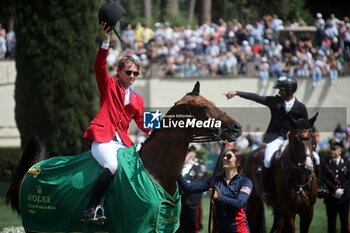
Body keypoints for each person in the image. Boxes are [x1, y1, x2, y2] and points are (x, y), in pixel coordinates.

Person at [80, 22, 150, 224]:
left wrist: (164, 128)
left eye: (135, 73)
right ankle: (90, 209)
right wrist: (106, 41)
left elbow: (145, 124)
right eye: (128, 72)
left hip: (123, 142)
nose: (132, 77)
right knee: (111, 165)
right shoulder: (109, 83)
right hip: (102, 138)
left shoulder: (138, 99)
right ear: (118, 72)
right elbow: (98, 66)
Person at [224, 76, 320, 201]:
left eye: (282, 90)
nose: (279, 92)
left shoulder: (301, 107)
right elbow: (257, 97)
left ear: (290, 91)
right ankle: (267, 189)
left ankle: (318, 186)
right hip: (276, 137)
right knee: (268, 159)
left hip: (294, 139)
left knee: (316, 158)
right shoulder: (275, 102)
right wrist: (237, 93)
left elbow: (305, 127)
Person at [178, 148, 253, 233]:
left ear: (238, 162)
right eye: (224, 156)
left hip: (239, 230)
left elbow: (239, 203)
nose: (224, 158)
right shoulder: (214, 180)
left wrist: (219, 197)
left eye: (228, 156)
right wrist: (176, 172)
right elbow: (189, 189)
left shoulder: (245, 182)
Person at [177, 145, 207, 233]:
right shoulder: (178, 166)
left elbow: (198, 180)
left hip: (192, 201)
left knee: (192, 226)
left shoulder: (197, 165)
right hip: (179, 201)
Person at [322, 140, 350, 233]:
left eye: (334, 149)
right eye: (331, 149)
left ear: (340, 151)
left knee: (344, 223)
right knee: (331, 223)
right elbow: (325, 179)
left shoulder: (346, 163)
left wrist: (342, 189)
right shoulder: (326, 163)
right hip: (331, 198)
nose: (332, 151)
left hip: (344, 198)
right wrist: (335, 189)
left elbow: (348, 179)